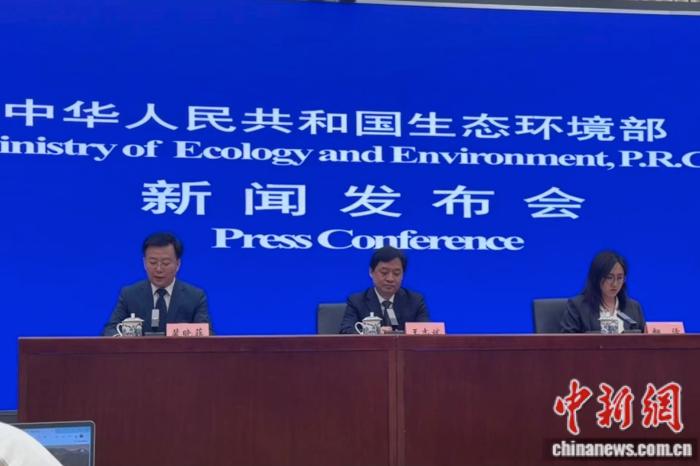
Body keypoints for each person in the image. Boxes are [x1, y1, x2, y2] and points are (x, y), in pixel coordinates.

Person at [103, 232, 211, 336]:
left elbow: (207, 334)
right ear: (144, 263)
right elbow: (110, 329)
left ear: (178, 264)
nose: (159, 269)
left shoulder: (195, 297)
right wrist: (122, 341)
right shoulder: (129, 294)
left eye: (165, 263)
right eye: (153, 262)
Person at [339, 246, 430, 334]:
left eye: (396, 273)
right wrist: (372, 332)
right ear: (371, 272)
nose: (390, 279)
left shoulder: (415, 301)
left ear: (403, 274)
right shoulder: (356, 301)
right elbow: (345, 331)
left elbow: (426, 333)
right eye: (384, 272)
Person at [560, 250, 645, 333]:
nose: (615, 284)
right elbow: (567, 340)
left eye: (619, 278)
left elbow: (644, 339)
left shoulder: (634, 308)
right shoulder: (578, 307)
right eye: (609, 277)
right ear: (596, 278)